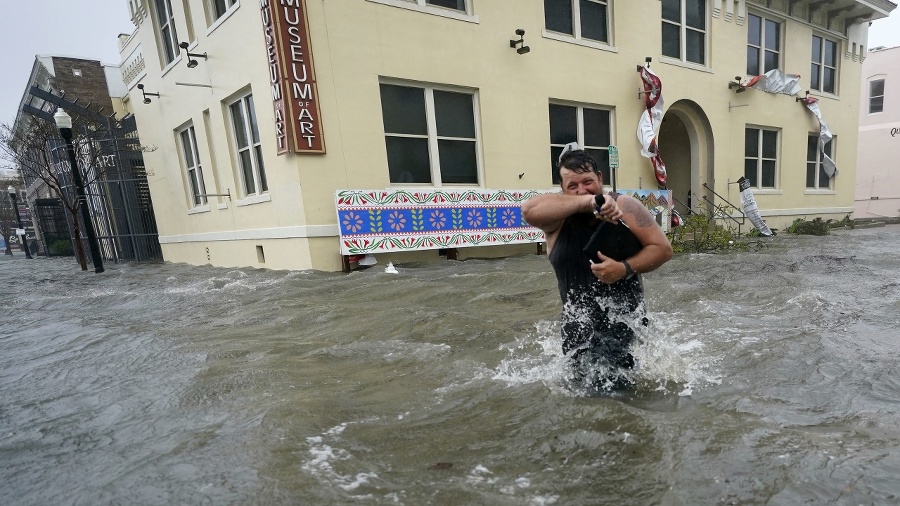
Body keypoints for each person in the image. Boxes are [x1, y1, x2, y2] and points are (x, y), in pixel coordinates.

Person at [522, 143, 673, 389]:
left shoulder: (625, 206)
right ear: (562, 189)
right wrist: (589, 202)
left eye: (588, 182)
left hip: (623, 323)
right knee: (579, 397)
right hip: (576, 330)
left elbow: (663, 249)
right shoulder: (556, 220)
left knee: (617, 396)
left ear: (600, 178)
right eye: (573, 185)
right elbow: (528, 211)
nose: (582, 189)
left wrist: (623, 268)